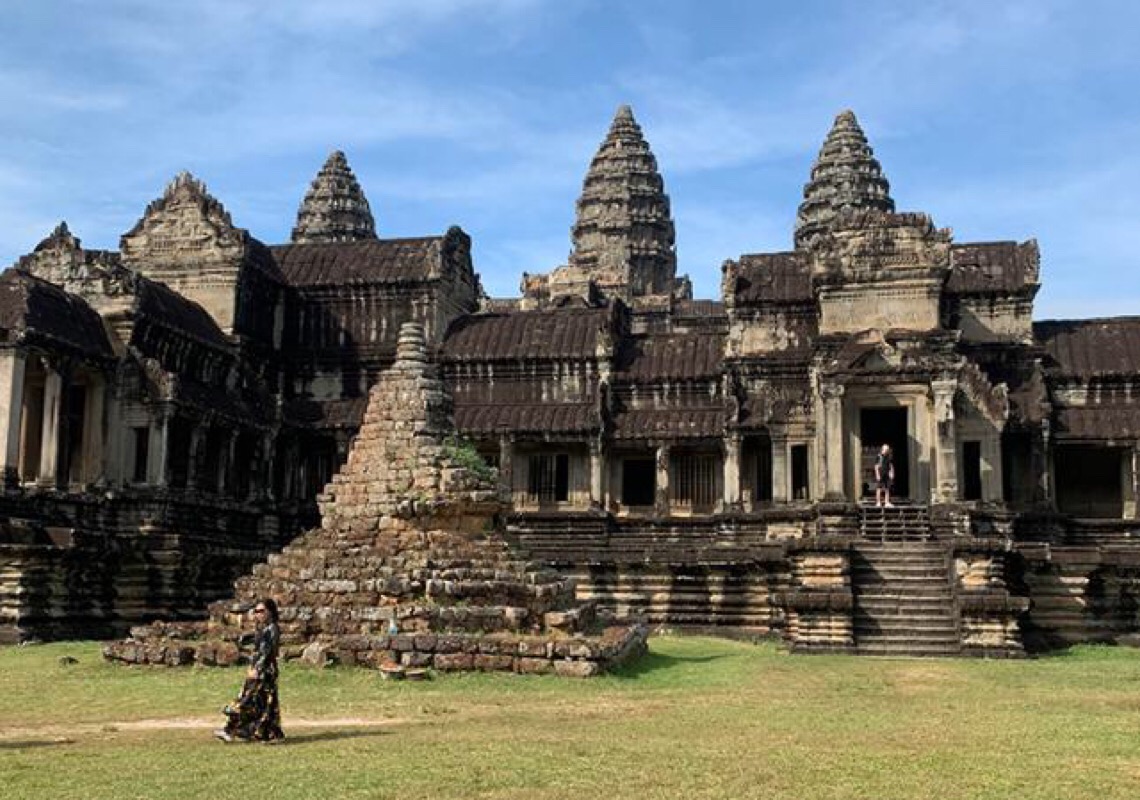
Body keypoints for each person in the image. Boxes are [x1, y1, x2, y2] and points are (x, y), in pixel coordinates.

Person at [215, 598, 285, 743]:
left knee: (247, 700)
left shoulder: (272, 629)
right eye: (256, 611)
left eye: (261, 611)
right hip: (260, 668)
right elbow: (255, 645)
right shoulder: (264, 628)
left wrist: (257, 669)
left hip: (265, 670)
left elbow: (267, 652)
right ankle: (266, 733)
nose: (257, 614)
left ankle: (230, 730)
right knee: (262, 702)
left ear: (270, 612)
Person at [874, 444, 895, 508]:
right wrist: (877, 474)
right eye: (885, 449)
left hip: (887, 474)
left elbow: (891, 466)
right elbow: (876, 466)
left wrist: (892, 473)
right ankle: (878, 502)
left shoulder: (889, 457)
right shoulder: (879, 456)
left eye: (887, 449)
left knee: (887, 488)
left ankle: (887, 502)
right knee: (879, 488)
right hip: (881, 474)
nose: (886, 450)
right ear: (882, 449)